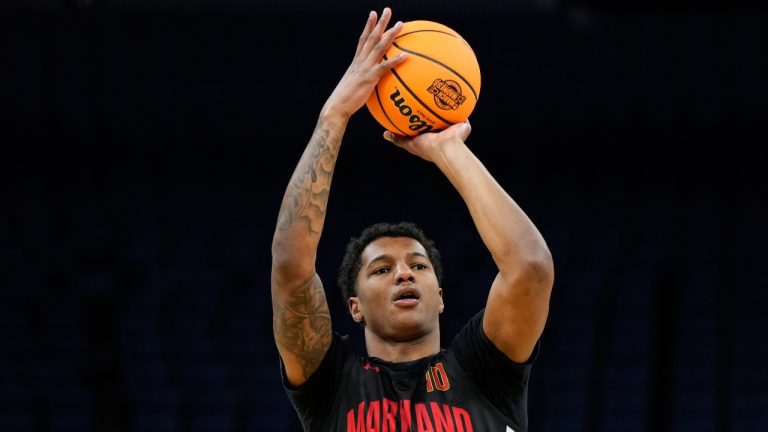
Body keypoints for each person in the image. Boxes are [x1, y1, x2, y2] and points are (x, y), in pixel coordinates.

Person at [270, 7, 554, 432]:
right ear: (354, 307)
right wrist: (334, 116)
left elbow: (530, 269)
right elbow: (291, 269)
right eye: (382, 269)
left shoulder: (485, 372)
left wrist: (449, 150)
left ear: (439, 296)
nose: (404, 273)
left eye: (418, 266)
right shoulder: (330, 385)